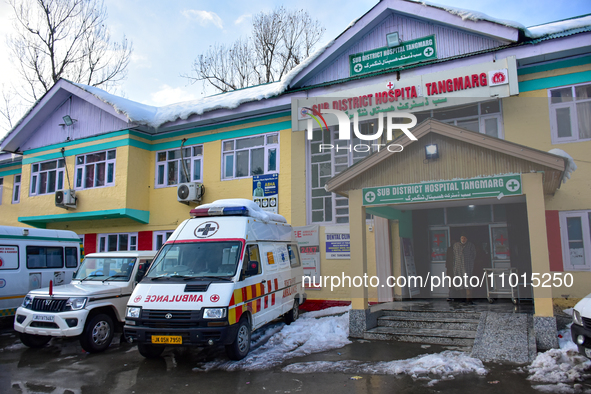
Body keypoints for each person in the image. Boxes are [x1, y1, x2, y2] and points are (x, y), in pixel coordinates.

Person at [452, 234, 477, 303]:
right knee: (460, 282)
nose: (463, 240)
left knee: (468, 282)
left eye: (464, 238)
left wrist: (470, 262)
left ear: (467, 239)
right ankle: (462, 298)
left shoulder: (470, 245)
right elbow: (454, 256)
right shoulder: (456, 245)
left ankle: (469, 299)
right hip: (458, 266)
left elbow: (473, 255)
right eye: (462, 238)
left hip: (467, 266)